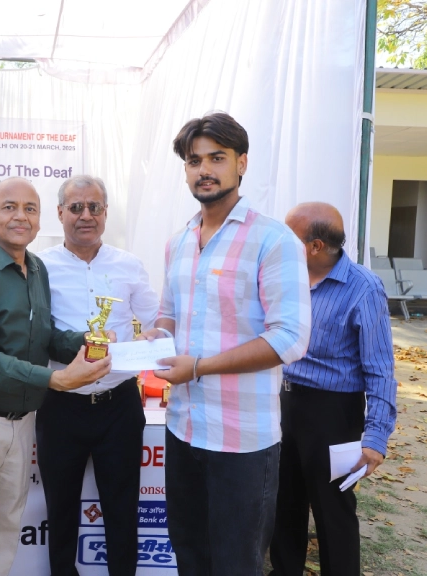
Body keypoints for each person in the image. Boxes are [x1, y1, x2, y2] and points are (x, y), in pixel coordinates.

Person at [140, 112, 311, 575]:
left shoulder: (273, 239)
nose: (204, 170)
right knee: (190, 556)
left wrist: (199, 366)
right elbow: (169, 314)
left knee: (236, 563)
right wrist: (156, 338)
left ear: (242, 163)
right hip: (183, 429)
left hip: (242, 441)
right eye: (194, 161)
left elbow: (290, 338)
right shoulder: (178, 242)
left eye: (217, 158)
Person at [0, 177, 113, 576]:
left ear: (40, 219)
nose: (21, 216)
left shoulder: (37, 269)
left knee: (1, 536)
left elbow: (45, 338)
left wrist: (88, 341)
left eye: (30, 209)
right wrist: (54, 380)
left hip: (23, 423)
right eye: (9, 207)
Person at [37, 175, 159, 575]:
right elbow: (35, 333)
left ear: (106, 213)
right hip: (61, 405)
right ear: (60, 213)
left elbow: (157, 320)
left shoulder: (129, 265)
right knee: (60, 510)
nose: (85, 215)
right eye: (76, 207)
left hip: (118, 405)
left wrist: (156, 336)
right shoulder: (39, 267)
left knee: (122, 509)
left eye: (95, 207)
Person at [269, 202, 396, 576]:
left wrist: (376, 438)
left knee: (333, 510)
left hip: (332, 414)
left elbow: (380, 369)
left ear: (316, 246)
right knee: (283, 503)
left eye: (289, 237)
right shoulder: (285, 278)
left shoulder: (363, 288)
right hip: (281, 403)